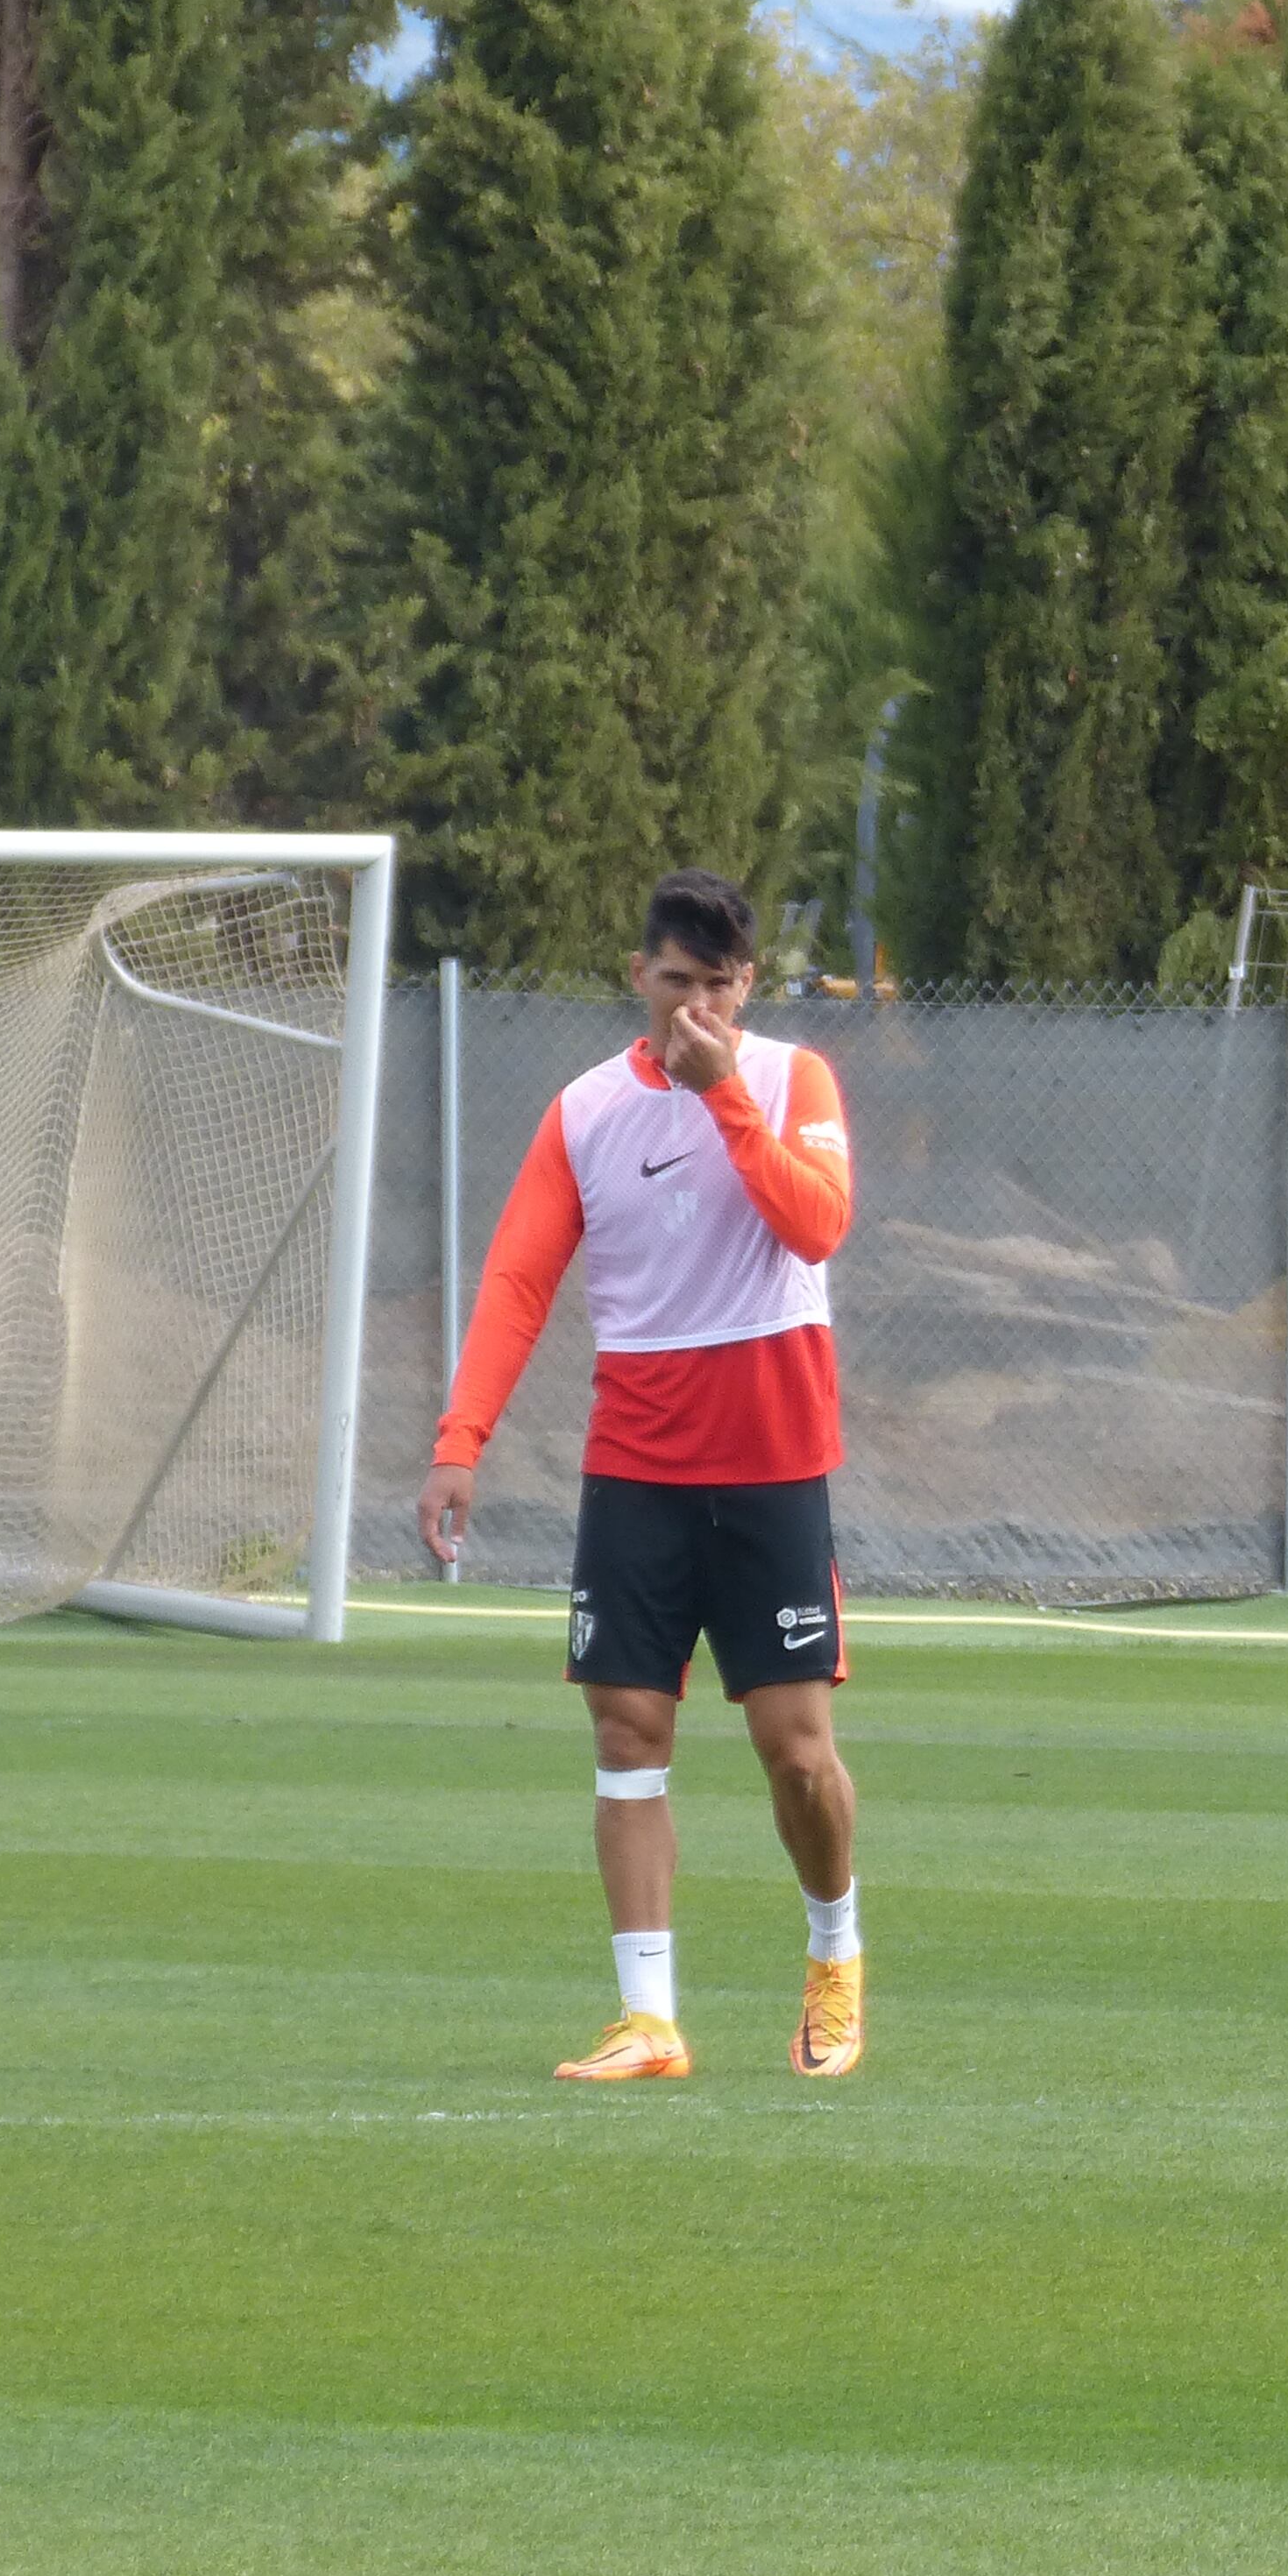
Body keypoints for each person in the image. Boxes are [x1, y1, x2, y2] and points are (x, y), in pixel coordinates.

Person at [420, 870, 870, 2077]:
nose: (695, 1010)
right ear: (639, 976)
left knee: (796, 1750)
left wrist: (725, 1098)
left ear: (748, 986)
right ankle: (649, 2018)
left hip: (772, 1462)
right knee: (627, 1732)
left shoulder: (792, 1082)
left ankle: (835, 1957)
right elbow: (519, 1281)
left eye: (718, 987)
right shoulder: (584, 1112)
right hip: (637, 1468)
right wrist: (461, 1441)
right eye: (676, 984)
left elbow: (817, 1225)